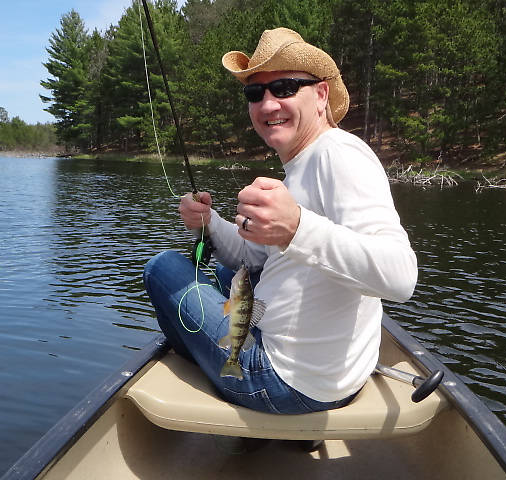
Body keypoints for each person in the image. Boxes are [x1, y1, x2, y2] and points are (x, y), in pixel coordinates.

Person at [143, 27, 418, 415]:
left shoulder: (339, 155)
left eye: (285, 88)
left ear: (321, 94)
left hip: (284, 383)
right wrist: (209, 222)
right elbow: (252, 259)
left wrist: (296, 228)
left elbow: (401, 277)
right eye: (255, 93)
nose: (268, 104)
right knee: (228, 275)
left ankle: (219, 373)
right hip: (329, 376)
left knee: (163, 268)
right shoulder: (299, 169)